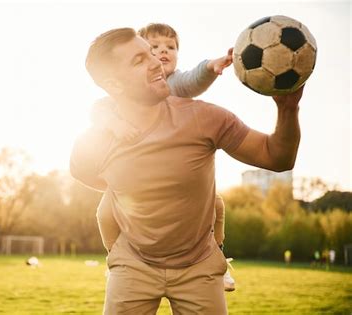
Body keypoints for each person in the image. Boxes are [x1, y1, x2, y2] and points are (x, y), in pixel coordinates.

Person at [71, 27, 303, 314]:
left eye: (151, 53)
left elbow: (277, 157)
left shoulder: (205, 118)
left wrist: (289, 109)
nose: (156, 62)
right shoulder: (96, 139)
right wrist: (124, 188)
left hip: (199, 268)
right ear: (113, 84)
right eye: (139, 60)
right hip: (132, 266)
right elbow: (80, 171)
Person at [92, 23, 236, 291]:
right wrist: (115, 125)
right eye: (154, 47)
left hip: (179, 179)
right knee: (104, 213)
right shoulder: (126, 91)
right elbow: (98, 109)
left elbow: (194, 78)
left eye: (170, 47)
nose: (163, 52)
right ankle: (116, 262)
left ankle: (219, 257)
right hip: (134, 179)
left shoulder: (174, 85)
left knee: (215, 204)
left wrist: (212, 67)